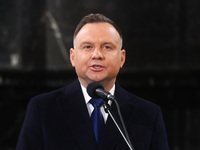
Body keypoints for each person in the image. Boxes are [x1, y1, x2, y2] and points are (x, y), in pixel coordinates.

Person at [16, 13, 169, 150]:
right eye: (88, 47)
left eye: (107, 47)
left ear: (122, 58)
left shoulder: (148, 114)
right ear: (73, 57)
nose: (97, 55)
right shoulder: (43, 109)